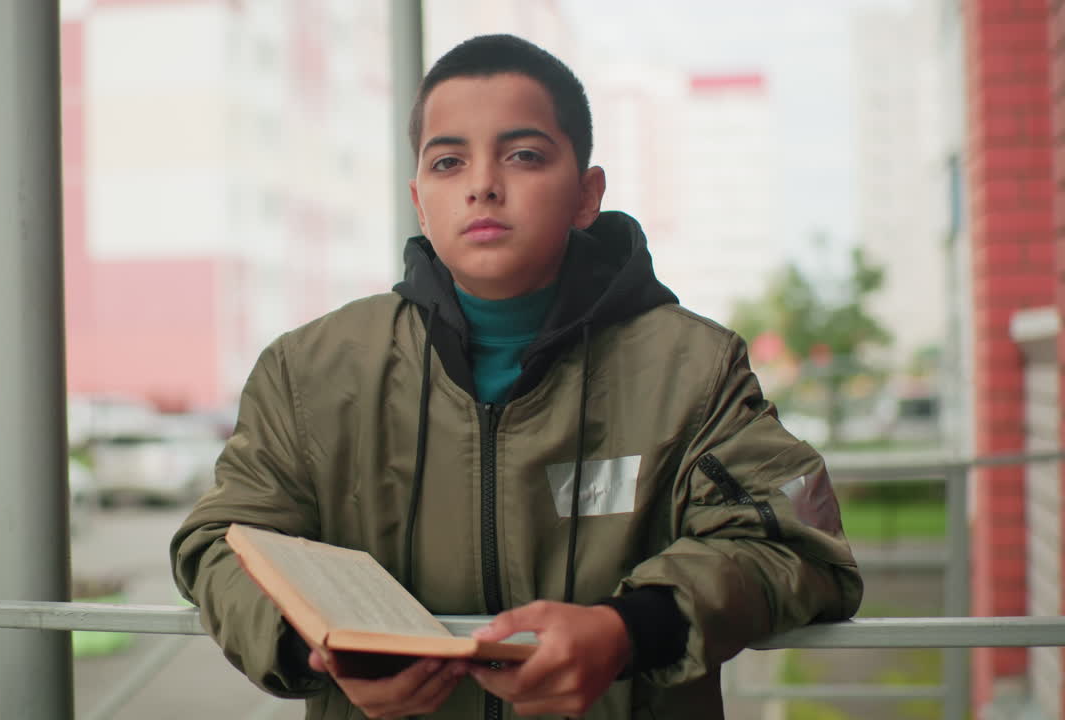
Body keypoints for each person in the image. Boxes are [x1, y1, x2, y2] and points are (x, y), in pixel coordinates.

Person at [170, 33, 862, 720]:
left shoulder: (691, 371)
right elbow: (221, 544)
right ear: (420, 200)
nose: (482, 185)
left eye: (524, 155)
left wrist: (630, 631)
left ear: (587, 194)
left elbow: (797, 547)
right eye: (448, 161)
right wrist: (310, 650)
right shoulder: (311, 372)